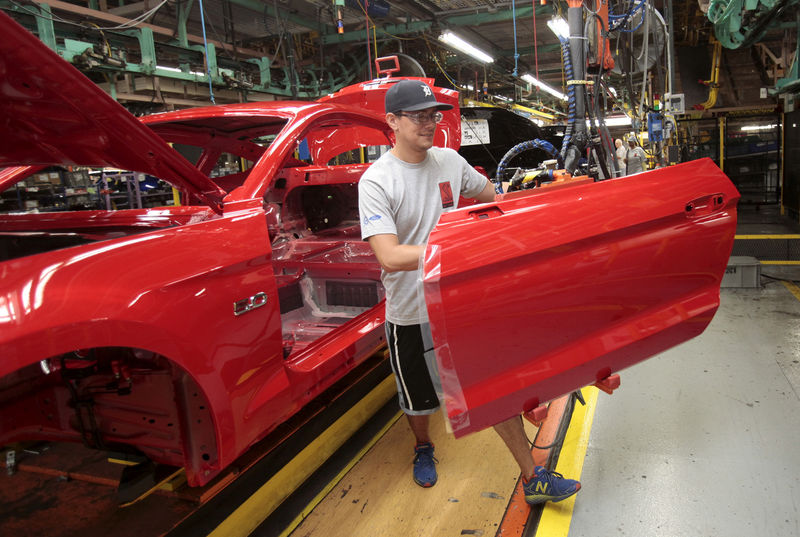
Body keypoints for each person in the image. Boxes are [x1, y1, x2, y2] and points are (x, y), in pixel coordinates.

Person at [358, 79, 580, 505]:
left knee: (487, 391)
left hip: (458, 303)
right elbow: (388, 256)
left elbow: (493, 200)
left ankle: (533, 477)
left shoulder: (449, 162)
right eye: (418, 116)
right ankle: (424, 445)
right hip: (411, 311)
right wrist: (459, 247)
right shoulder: (377, 181)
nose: (429, 123)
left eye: (433, 115)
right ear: (392, 121)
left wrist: (543, 200)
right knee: (420, 401)